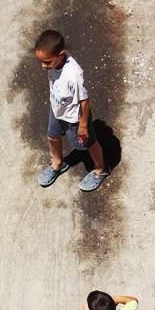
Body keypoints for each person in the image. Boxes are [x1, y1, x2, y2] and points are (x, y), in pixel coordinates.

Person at [35, 29, 111, 191]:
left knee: (89, 143)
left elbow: (84, 101)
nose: (44, 66)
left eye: (47, 62)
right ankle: (58, 163)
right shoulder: (54, 63)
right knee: (52, 137)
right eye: (41, 61)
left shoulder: (73, 75)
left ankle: (100, 168)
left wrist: (83, 125)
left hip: (74, 118)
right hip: (57, 109)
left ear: (61, 54)